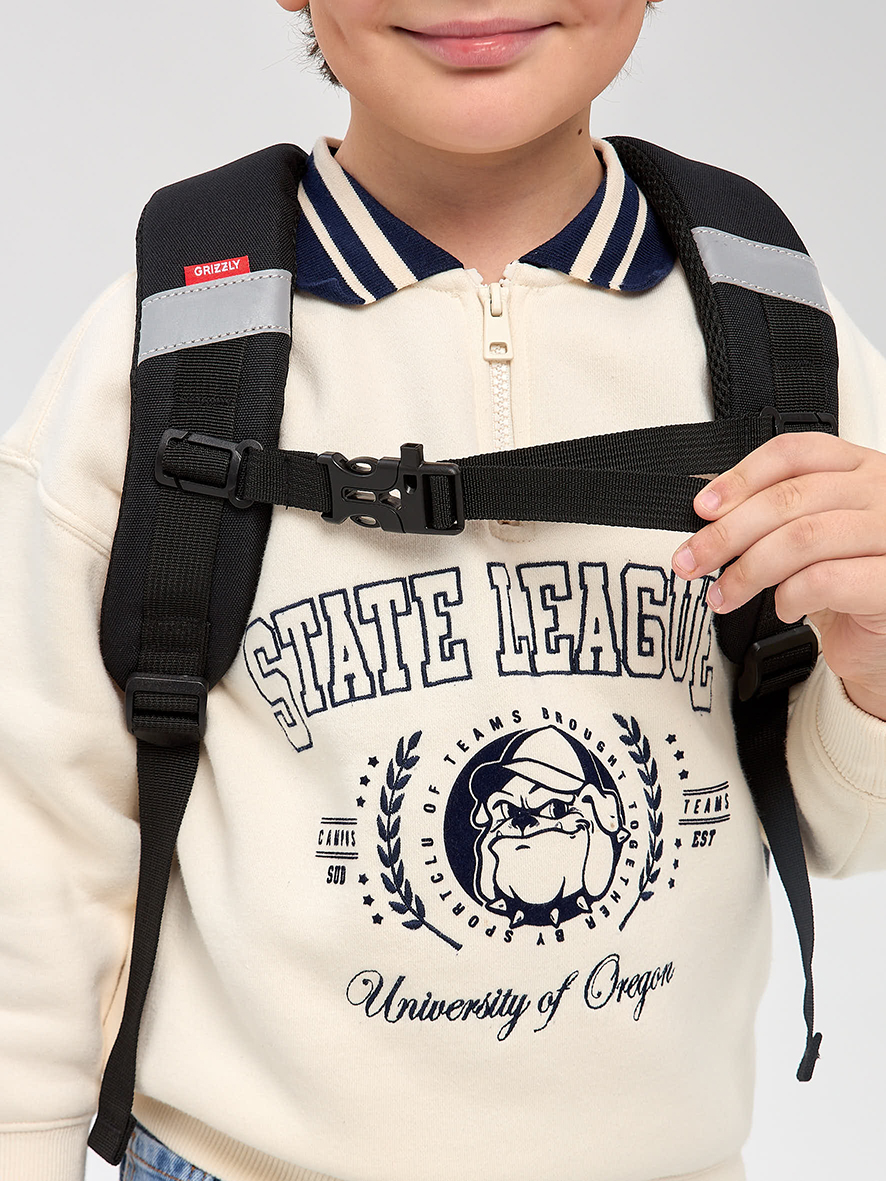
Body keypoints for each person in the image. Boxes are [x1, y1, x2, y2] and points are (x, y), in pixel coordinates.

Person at [1, 2, 885, 1180]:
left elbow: (834, 828)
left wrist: (873, 673)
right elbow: (34, 844)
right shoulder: (167, 352)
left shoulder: (784, 342)